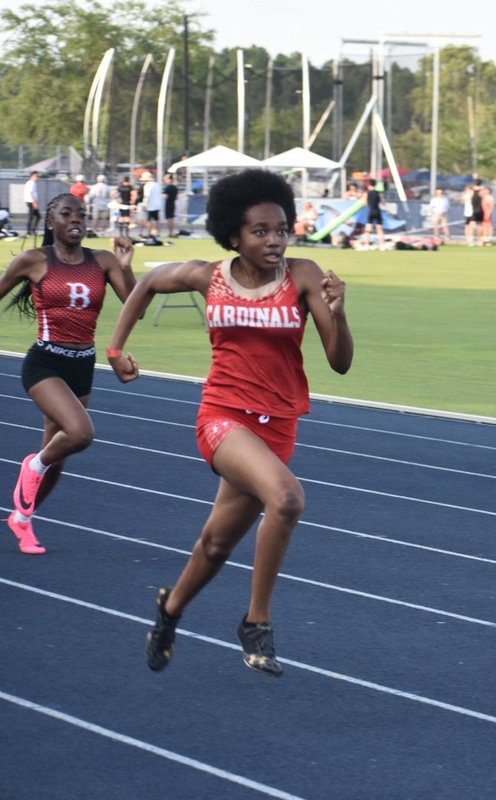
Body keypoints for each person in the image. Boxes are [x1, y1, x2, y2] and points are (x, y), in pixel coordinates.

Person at [106, 169, 354, 676]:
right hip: (222, 416)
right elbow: (149, 282)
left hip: (278, 425)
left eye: (282, 229)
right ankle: (256, 622)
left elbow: (340, 362)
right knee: (285, 499)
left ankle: (169, 610)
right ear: (234, 235)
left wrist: (338, 313)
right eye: (260, 231)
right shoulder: (208, 275)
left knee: (217, 544)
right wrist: (114, 349)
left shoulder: (304, 276)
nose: (275, 240)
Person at [0, 193, 135, 554]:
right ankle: (32, 465)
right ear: (50, 222)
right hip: (44, 362)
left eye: (81, 214)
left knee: (57, 454)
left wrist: (125, 265)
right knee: (79, 433)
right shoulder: (34, 260)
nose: (76, 219)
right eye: (66, 213)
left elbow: (134, 307)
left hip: (82, 366)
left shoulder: (103, 261)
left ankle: (23, 520)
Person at [140, 172, 163, 242]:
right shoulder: (157, 185)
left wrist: (145, 204)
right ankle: (158, 233)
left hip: (150, 205)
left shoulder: (147, 186)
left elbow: (146, 196)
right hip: (157, 205)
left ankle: (150, 234)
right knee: (157, 220)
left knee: (149, 220)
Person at [364, 180, 386, 249]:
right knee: (380, 229)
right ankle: (382, 245)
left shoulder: (367, 193)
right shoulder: (378, 193)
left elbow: (365, 203)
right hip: (377, 211)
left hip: (371, 211)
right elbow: (383, 202)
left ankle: (366, 245)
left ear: (368, 185)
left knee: (368, 229)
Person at [23, 171, 40, 237]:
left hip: (31, 201)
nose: (38, 177)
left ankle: (31, 230)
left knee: (36, 216)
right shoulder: (31, 183)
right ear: (32, 176)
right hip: (31, 202)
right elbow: (31, 193)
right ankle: (29, 231)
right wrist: (34, 202)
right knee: (32, 217)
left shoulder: (32, 183)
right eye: (36, 176)